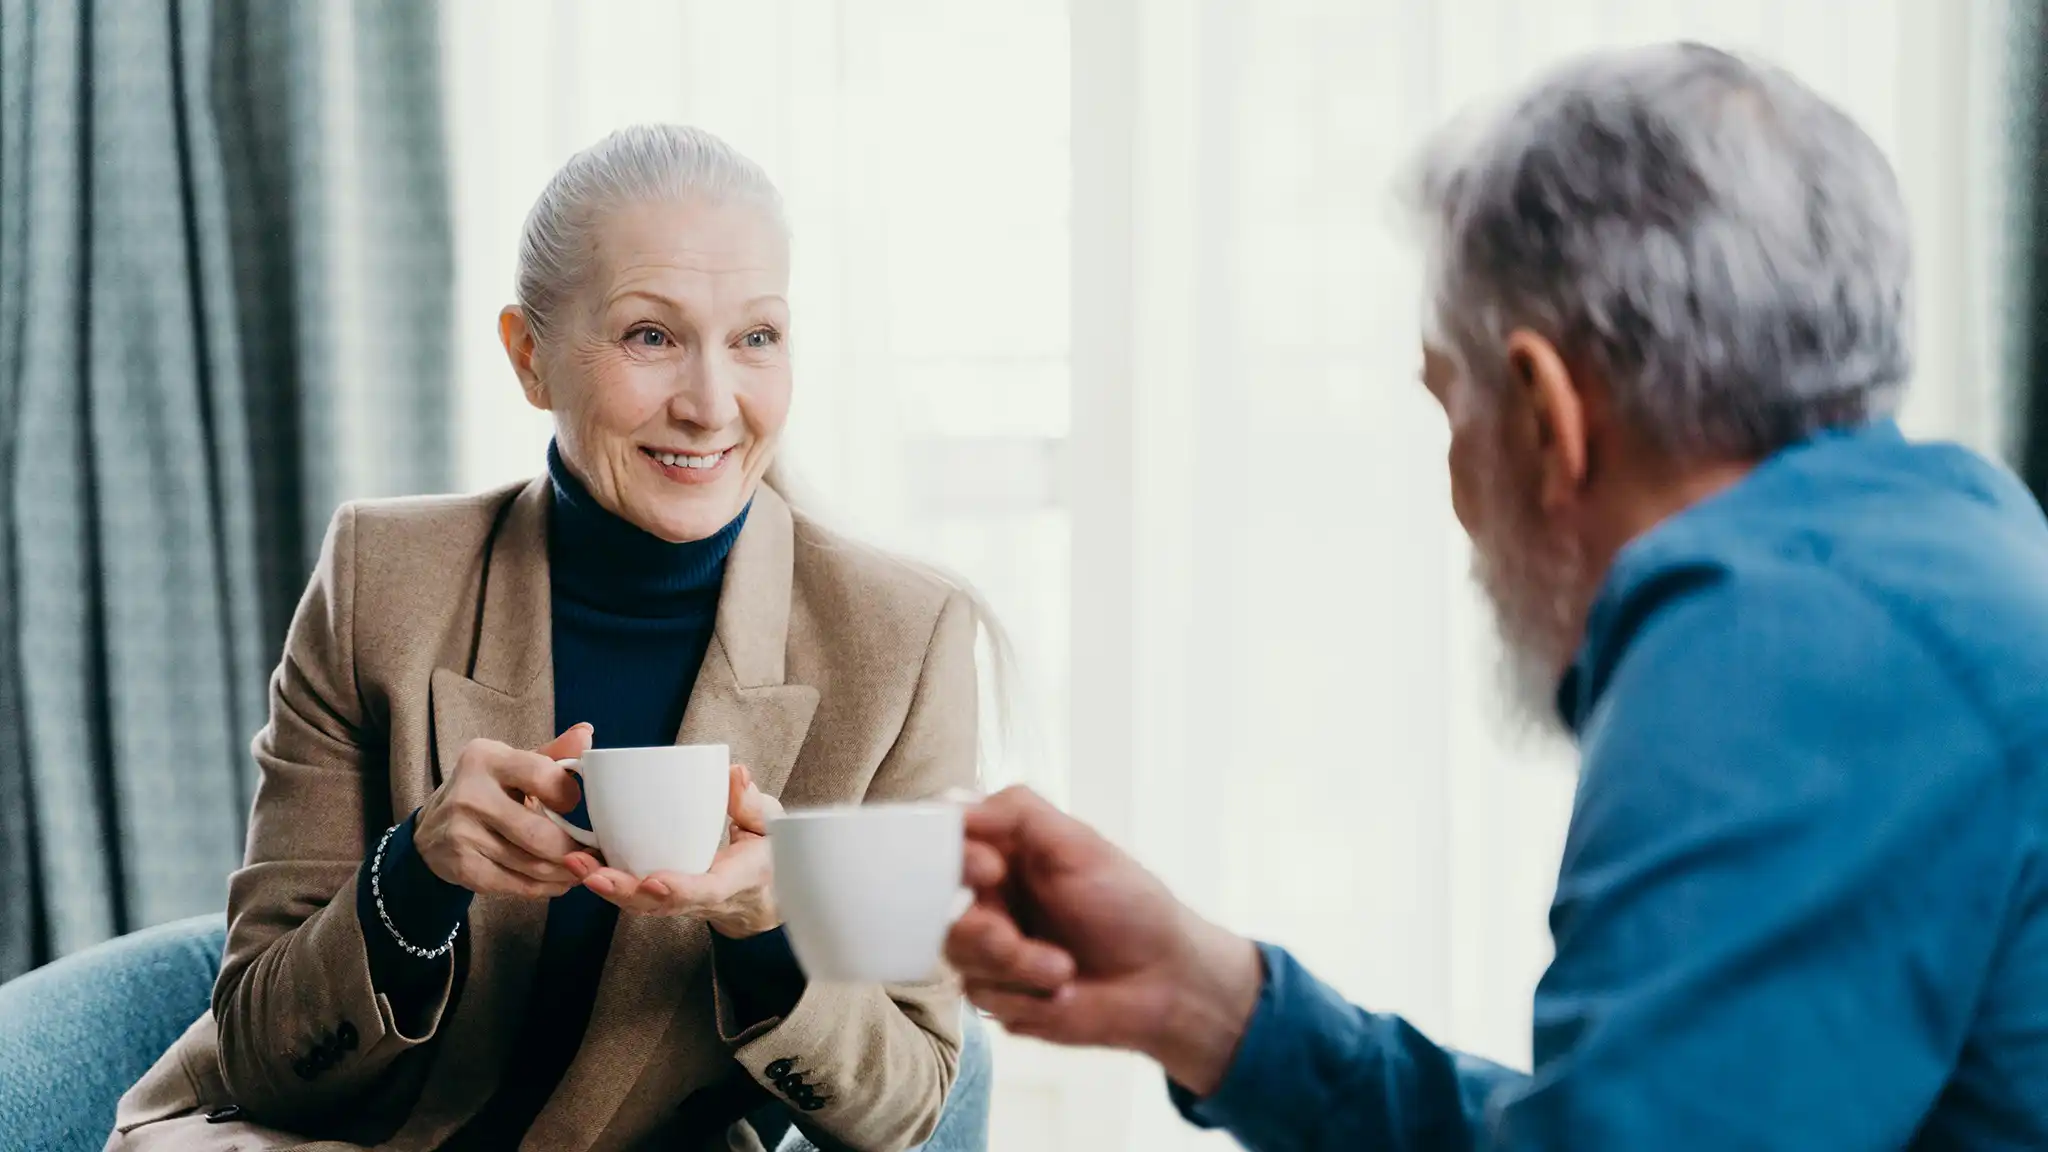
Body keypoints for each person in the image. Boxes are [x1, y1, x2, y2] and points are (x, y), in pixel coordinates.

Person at [946, 42, 2048, 1150]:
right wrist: (1212, 1004)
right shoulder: (1941, 556)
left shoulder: (1780, 645)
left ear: (1541, 411)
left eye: (1445, 405)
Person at [109, 125, 990, 1152]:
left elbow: (907, 1105)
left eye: (755, 338)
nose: (711, 406)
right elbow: (264, 1055)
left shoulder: (902, 643)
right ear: (530, 357)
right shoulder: (378, 580)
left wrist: (770, 933)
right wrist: (417, 875)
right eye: (651, 337)